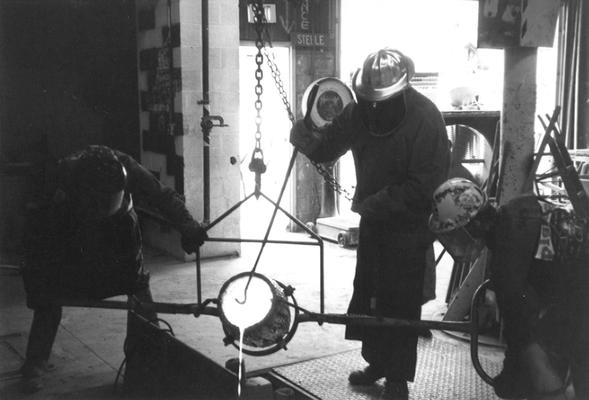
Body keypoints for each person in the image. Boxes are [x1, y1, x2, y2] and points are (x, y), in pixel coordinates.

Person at [290, 48, 451, 399]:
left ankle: (398, 376)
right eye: (369, 100)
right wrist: (304, 131)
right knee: (369, 292)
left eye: (381, 101)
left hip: (409, 224)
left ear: (403, 90)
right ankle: (376, 363)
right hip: (375, 222)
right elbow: (326, 148)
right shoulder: (359, 112)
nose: (375, 107)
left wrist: (374, 203)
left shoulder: (425, 117)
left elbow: (425, 184)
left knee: (401, 301)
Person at [19, 145, 207, 392]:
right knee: (49, 295)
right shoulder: (59, 176)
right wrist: (38, 286)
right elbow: (34, 242)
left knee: (137, 288)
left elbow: (162, 195)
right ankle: (36, 362)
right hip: (73, 230)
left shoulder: (125, 166)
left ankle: (147, 356)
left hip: (119, 232)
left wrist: (188, 225)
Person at [428, 178, 589, 400]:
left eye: (455, 233)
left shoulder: (506, 257)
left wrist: (527, 372)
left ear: (472, 225)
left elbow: (520, 324)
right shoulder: (517, 209)